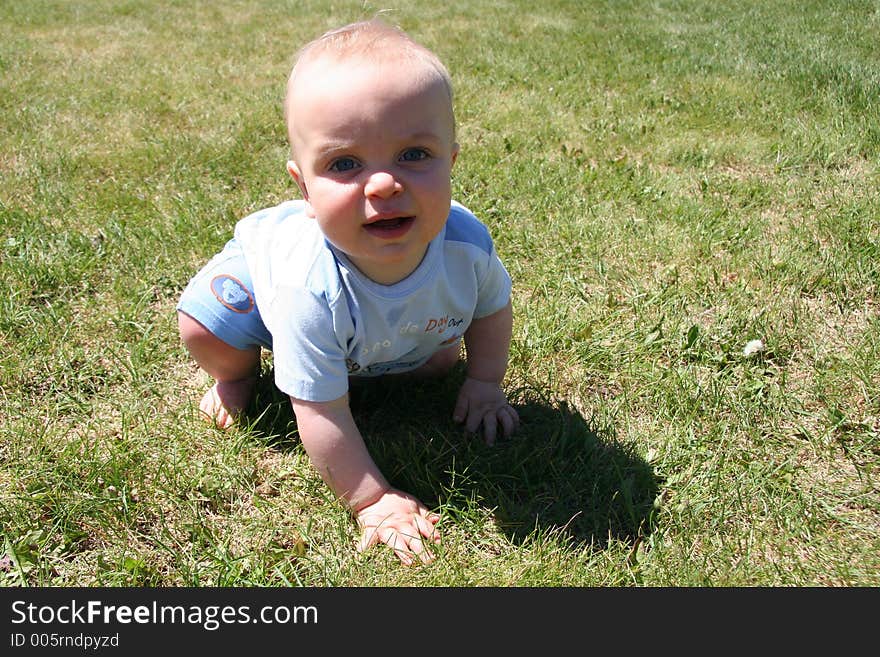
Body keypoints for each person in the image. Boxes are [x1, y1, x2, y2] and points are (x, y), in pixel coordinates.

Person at [176, 19, 518, 565]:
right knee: (204, 325)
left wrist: (484, 383)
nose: (384, 184)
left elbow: (491, 311)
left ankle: (386, 354)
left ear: (450, 162)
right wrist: (372, 498)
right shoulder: (306, 287)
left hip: (362, 321)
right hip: (261, 291)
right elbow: (319, 409)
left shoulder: (467, 245)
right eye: (344, 164)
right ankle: (234, 375)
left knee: (435, 363)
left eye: (414, 154)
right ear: (304, 187)